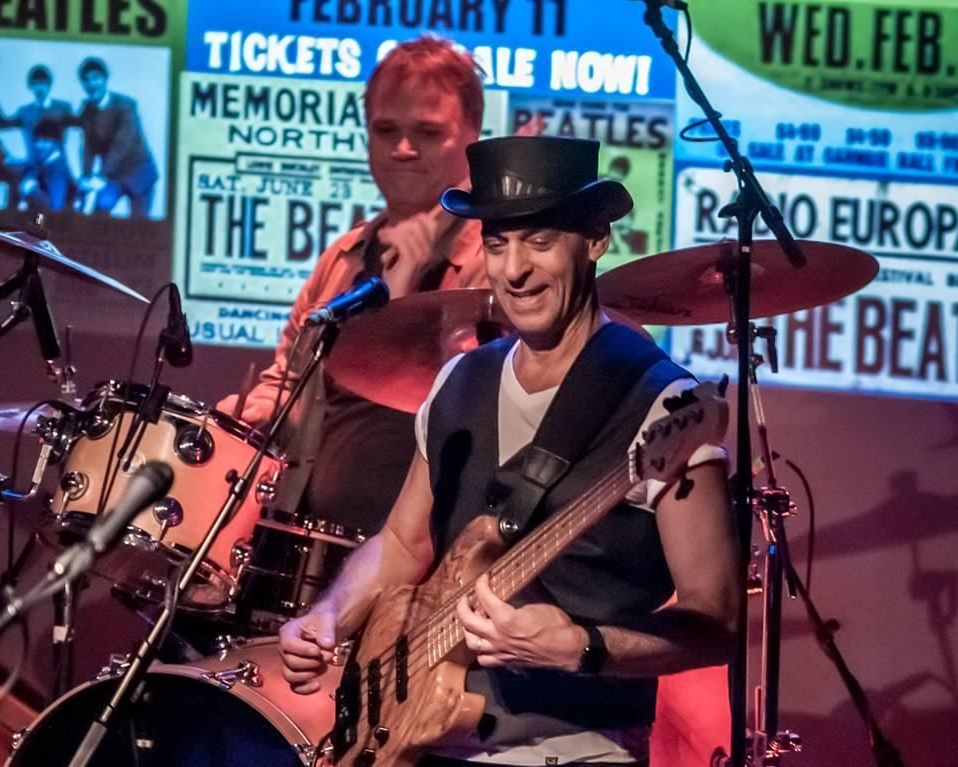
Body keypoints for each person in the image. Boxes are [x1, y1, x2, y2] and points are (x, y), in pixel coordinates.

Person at [278, 135, 741, 766]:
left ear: (596, 240)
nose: (514, 269)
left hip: (574, 749)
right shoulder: (460, 380)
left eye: (539, 241)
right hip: (425, 741)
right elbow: (403, 545)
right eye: (497, 245)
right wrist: (329, 616)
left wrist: (584, 646)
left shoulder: (663, 405)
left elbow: (716, 625)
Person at [217, 36, 487, 539]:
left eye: (427, 132)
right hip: (302, 541)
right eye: (386, 130)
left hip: (418, 555)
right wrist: (249, 412)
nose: (402, 149)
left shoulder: (490, 266)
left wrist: (403, 292)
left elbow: (479, 417)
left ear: (473, 135)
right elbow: (289, 380)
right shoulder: (343, 256)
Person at [74, 56, 158, 217]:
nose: (91, 84)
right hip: (113, 176)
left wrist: (102, 176)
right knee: (99, 212)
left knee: (139, 226)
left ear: (105, 79)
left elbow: (122, 144)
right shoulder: (87, 109)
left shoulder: (126, 105)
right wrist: (86, 177)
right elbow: (87, 147)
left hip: (138, 174)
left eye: (96, 78)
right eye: (86, 80)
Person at [6, 65, 74, 165]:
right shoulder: (24, 112)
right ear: (30, 86)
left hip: (58, 166)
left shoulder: (63, 108)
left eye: (42, 83)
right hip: (34, 167)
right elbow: (3, 124)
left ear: (49, 85)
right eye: (35, 83)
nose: (39, 88)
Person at [18, 118, 76, 212]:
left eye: (44, 141)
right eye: (37, 141)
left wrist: (35, 193)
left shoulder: (59, 171)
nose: (39, 145)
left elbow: (55, 209)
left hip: (50, 217)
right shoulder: (38, 164)